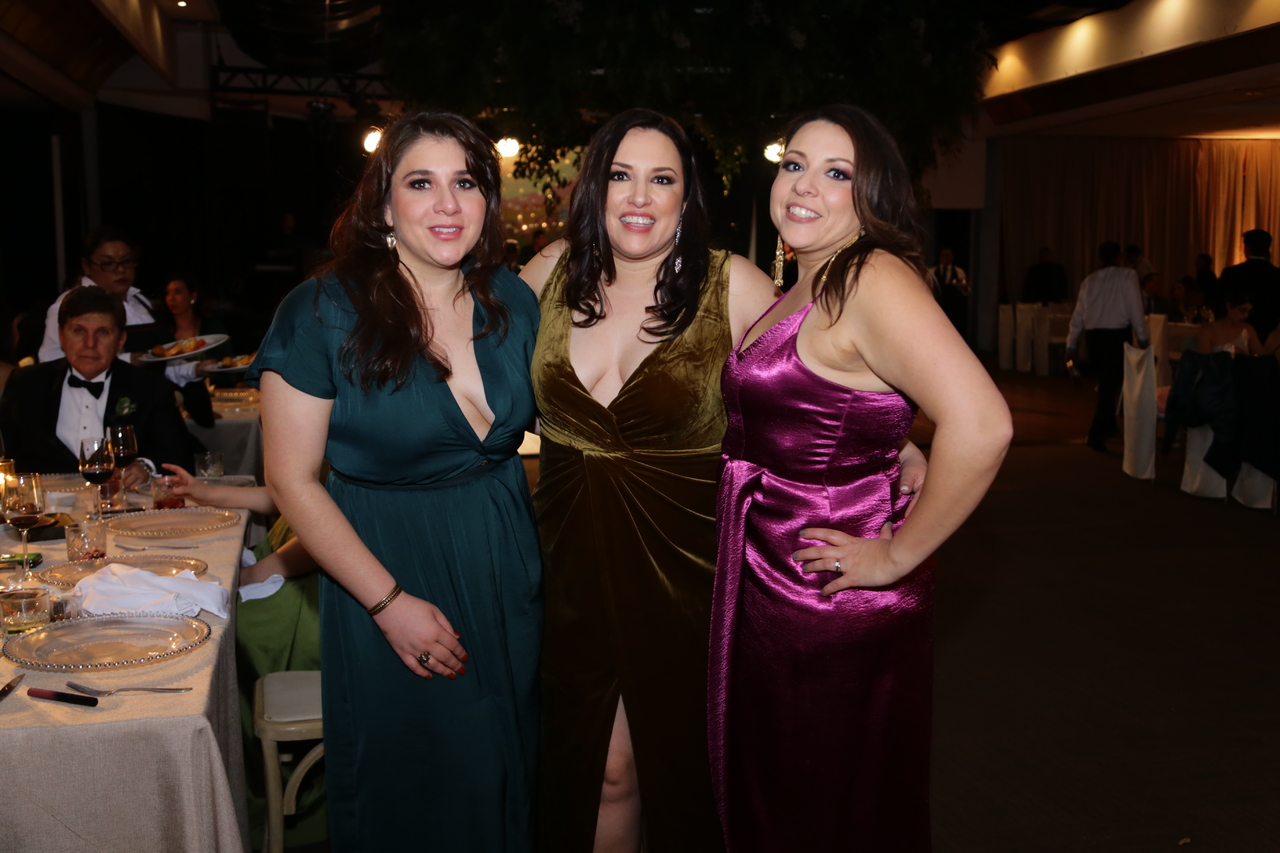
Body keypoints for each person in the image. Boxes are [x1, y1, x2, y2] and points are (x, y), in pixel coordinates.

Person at [519, 108, 928, 853]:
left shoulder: (732, 284)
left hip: (689, 574)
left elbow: (802, 381)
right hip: (567, 567)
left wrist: (894, 446)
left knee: (684, 773)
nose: (639, 197)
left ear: (687, 195)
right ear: (593, 187)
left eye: (662, 179)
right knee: (597, 770)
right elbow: (473, 384)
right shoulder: (547, 274)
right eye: (620, 176)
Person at [708, 104, 1011, 852]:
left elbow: (983, 424)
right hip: (770, 567)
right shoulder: (808, 280)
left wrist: (896, 555)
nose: (804, 185)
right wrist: (893, 440)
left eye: (836, 172)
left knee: (818, 801)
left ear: (871, 193)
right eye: (794, 164)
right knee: (784, 789)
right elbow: (841, 391)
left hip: (821, 590)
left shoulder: (869, 276)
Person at [250, 109, 543, 851]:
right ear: (383, 206)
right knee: (420, 794)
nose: (448, 204)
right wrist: (387, 603)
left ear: (488, 202)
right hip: (389, 575)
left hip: (507, 574)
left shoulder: (512, 300)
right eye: (421, 183)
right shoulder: (319, 312)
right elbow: (291, 481)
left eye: (466, 183)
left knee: (507, 777)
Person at [0, 286, 196, 483]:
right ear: (61, 335)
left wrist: (145, 467)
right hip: (46, 500)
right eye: (79, 331)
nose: (89, 344)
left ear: (120, 340)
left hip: (122, 499)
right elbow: (7, 454)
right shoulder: (26, 383)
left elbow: (174, 453)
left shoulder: (151, 389)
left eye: (102, 332)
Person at [38, 227, 213, 384]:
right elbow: (52, 365)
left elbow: (160, 364)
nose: (121, 270)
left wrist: (194, 369)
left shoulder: (139, 301)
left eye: (127, 261)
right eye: (108, 263)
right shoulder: (70, 304)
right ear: (87, 266)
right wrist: (128, 360)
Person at [1066, 241, 1148, 452]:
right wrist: (1143, 337)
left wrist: (1071, 345)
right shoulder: (1128, 276)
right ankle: (1095, 435)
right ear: (1120, 257)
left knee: (1106, 382)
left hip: (1094, 337)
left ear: (1098, 259)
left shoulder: (1089, 281)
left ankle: (1109, 425)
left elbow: (1078, 316)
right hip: (1116, 336)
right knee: (1110, 386)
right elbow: (1135, 307)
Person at [1218, 229, 1280, 343]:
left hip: (1234, 333)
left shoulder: (1232, 273)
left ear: (1247, 248)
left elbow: (1219, 302)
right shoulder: (1277, 275)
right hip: (1268, 335)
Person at [1196, 285, 1262, 356]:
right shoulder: (1209, 331)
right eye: (1242, 310)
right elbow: (1203, 361)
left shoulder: (1248, 329)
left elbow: (1262, 358)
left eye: (1249, 312)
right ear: (1228, 306)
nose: (1246, 315)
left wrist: (1244, 357)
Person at [929, 247, 968, 335]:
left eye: (948, 255)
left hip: (953, 308)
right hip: (937, 307)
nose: (945, 257)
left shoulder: (959, 272)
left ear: (952, 257)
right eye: (943, 255)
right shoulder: (932, 272)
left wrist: (963, 287)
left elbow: (965, 292)